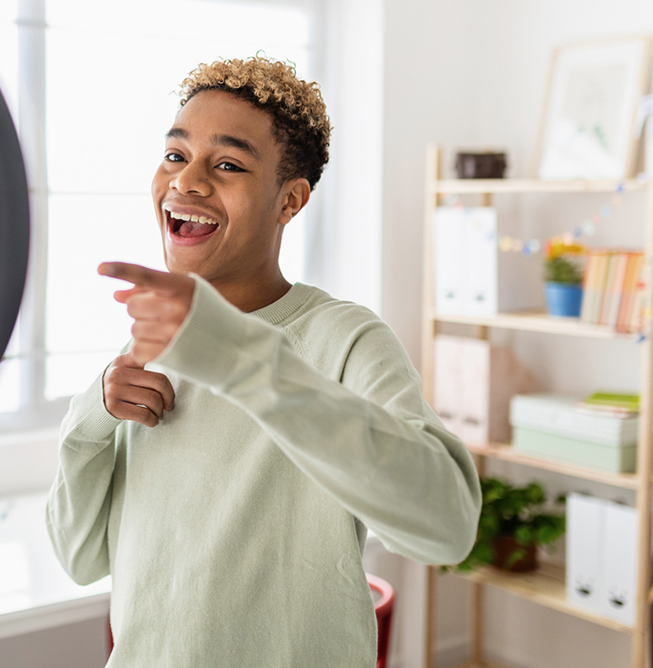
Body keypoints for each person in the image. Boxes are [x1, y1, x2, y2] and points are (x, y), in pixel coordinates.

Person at [45, 56, 480, 667]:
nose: (186, 182)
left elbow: (447, 527)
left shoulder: (345, 340)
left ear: (290, 201)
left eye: (227, 164)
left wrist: (241, 359)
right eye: (175, 155)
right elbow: (78, 557)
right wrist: (95, 414)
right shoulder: (152, 345)